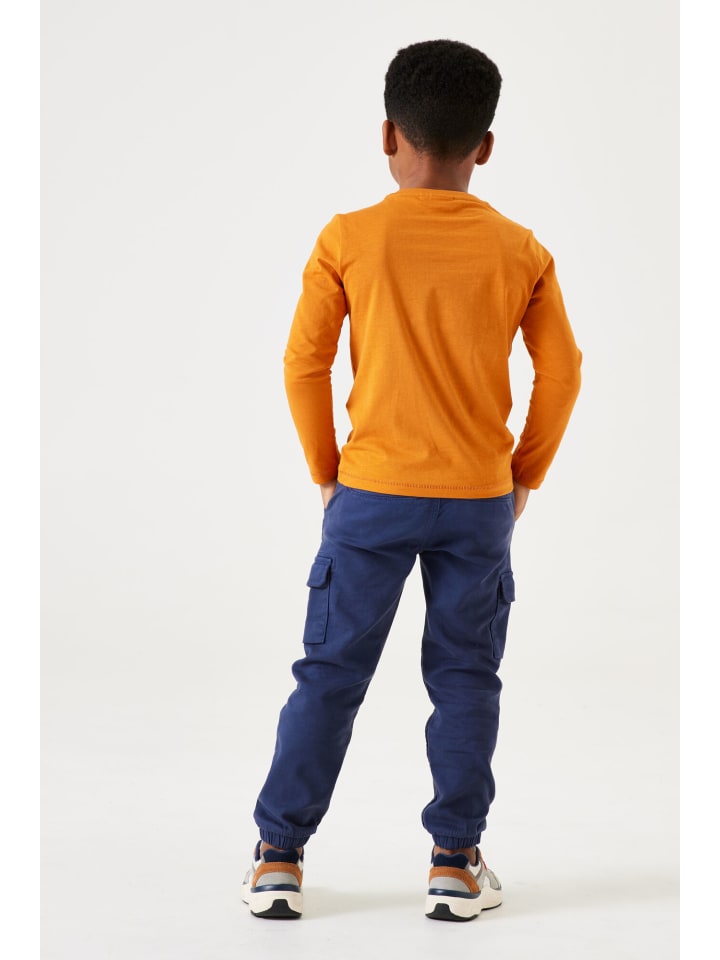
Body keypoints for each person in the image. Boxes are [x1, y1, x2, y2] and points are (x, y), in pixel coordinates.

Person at [241, 38, 582, 922]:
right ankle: (455, 864)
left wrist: (327, 471)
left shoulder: (349, 238)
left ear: (388, 134)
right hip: (478, 501)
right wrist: (524, 477)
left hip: (371, 495)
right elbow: (563, 371)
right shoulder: (520, 249)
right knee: (466, 677)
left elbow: (304, 365)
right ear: (485, 146)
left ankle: (278, 859)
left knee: (329, 676)